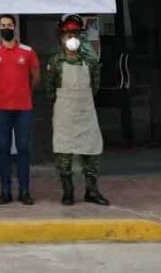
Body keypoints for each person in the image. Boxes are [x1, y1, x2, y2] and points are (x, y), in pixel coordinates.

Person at [45, 14, 109, 207]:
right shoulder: (55, 61)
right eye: (67, 34)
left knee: (91, 153)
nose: (71, 38)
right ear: (61, 37)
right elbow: (50, 90)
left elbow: (95, 87)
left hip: (86, 113)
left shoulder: (90, 61)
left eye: (74, 34)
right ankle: (68, 192)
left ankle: (92, 190)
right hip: (64, 114)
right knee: (63, 156)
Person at [0, 14, 41, 205]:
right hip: (1, 108)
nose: (6, 28)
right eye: (3, 25)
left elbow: (35, 76)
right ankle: (5, 191)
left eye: (9, 25)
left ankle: (24, 190)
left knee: (24, 149)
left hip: (24, 108)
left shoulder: (28, 51)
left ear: (15, 28)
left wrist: (23, 92)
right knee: (3, 149)